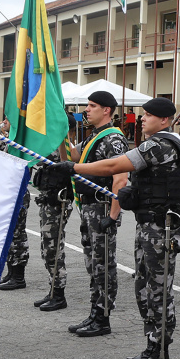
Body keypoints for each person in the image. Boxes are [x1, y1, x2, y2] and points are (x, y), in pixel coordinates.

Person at [45, 97, 180, 359]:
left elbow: (115, 167)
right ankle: (151, 345)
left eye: (148, 115)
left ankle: (161, 351)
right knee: (144, 289)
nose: (142, 119)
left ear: (164, 120)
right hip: (148, 225)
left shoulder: (160, 144)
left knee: (158, 291)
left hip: (162, 227)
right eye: (143, 114)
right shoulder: (155, 143)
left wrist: (73, 169)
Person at [66, 91, 129, 337]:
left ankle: (103, 317)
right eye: (86, 105)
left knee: (103, 264)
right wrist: (62, 134)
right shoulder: (94, 136)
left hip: (102, 207)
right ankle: (95, 312)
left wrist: (112, 217)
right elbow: (74, 157)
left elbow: (120, 179)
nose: (86, 109)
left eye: (92, 106)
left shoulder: (113, 139)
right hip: (90, 207)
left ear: (106, 110)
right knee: (93, 263)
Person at [31, 113, 77, 312]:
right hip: (47, 200)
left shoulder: (65, 144)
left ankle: (59, 294)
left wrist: (62, 135)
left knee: (53, 247)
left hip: (58, 201)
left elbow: (71, 160)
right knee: (46, 247)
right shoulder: (48, 143)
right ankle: (53, 289)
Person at [0, 188, 31, 290]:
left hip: (17, 193)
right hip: (10, 192)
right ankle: (11, 273)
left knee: (17, 234)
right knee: (10, 234)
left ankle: (18, 278)